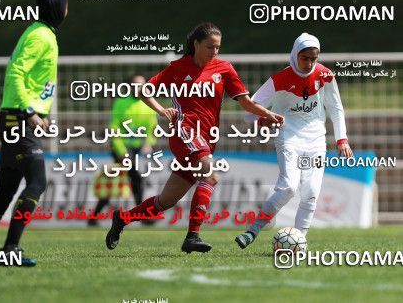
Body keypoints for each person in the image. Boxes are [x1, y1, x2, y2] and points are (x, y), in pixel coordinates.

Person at [106, 22, 284, 253]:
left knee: (166, 201)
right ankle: (192, 236)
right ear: (196, 44)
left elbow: (246, 102)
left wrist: (267, 113)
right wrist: (161, 111)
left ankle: (123, 218)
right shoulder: (178, 68)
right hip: (184, 131)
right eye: (210, 47)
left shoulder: (224, 69)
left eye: (218, 47)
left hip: (206, 138)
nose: (215, 52)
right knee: (210, 176)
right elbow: (144, 90)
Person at [0, 0, 68, 266]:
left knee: (6, 190)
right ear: (60, 8)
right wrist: (29, 110)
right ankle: (10, 249)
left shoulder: (39, 33)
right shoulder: (41, 36)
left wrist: (37, 112)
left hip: (18, 117)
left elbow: (30, 79)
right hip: (18, 119)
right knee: (38, 181)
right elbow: (16, 71)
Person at [235, 33, 353, 249]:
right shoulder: (279, 80)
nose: (309, 63)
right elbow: (249, 112)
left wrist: (341, 139)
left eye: (314, 59)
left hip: (317, 140)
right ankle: (252, 231)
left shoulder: (325, 75)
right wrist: (265, 118)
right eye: (305, 58)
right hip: (288, 137)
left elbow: (335, 108)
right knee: (288, 188)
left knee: (310, 193)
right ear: (294, 54)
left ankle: (300, 242)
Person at [89, 75, 158, 226]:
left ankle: (93, 217)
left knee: (116, 181)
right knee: (136, 179)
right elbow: (114, 128)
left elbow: (152, 128)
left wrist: (148, 143)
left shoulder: (149, 102)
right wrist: (122, 152)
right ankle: (143, 216)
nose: (139, 88)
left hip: (136, 147)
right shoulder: (121, 102)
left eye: (142, 85)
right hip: (120, 147)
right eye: (135, 85)